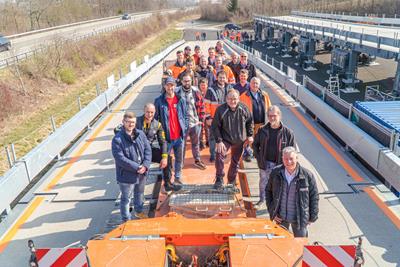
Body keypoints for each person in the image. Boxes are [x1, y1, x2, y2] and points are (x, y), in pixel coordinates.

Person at [266, 146, 319, 237]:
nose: (288, 162)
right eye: (286, 159)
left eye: (291, 159)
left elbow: (314, 196)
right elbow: (268, 191)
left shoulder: (307, 176)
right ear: (282, 159)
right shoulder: (276, 173)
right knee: (280, 246)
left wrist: (312, 217)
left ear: (297, 158)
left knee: (301, 245)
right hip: (281, 218)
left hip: (300, 219)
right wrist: (272, 212)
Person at [111, 111, 152, 221]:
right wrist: (137, 167)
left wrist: (145, 165)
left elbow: (148, 150)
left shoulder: (140, 134)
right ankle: (126, 219)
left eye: (133, 122)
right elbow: (120, 159)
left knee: (139, 194)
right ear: (123, 122)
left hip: (142, 172)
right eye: (128, 122)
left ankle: (138, 212)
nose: (131, 125)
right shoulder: (117, 140)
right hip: (127, 175)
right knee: (126, 199)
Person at [253, 105, 296, 209]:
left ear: (279, 116)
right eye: (270, 116)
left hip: (280, 164)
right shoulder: (262, 130)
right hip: (265, 162)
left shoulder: (288, 133)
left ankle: (277, 203)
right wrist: (259, 158)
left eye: (274, 116)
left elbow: (292, 150)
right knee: (263, 182)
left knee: (279, 184)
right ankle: (262, 200)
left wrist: (289, 165)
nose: (272, 118)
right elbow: (255, 145)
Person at [211, 89, 253, 189]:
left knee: (235, 161)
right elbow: (215, 126)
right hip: (225, 139)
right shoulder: (221, 110)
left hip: (239, 139)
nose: (232, 101)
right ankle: (219, 178)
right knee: (219, 154)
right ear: (226, 99)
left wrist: (250, 135)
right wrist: (219, 141)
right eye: (230, 99)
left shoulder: (244, 108)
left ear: (238, 99)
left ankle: (231, 180)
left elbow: (249, 122)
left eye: (235, 99)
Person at [154, 77, 187, 189]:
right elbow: (155, 120)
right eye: (168, 85)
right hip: (166, 139)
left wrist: (184, 128)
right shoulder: (159, 101)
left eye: (172, 85)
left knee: (179, 159)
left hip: (179, 137)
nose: (170, 87)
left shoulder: (180, 99)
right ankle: (166, 182)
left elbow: (184, 116)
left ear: (175, 86)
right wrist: (160, 135)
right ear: (164, 86)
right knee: (165, 162)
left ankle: (178, 176)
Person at [136, 103, 173, 189]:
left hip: (148, 151)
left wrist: (164, 157)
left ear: (155, 112)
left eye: (152, 112)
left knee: (168, 159)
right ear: (144, 111)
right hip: (136, 151)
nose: (149, 114)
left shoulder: (158, 124)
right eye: (147, 112)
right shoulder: (136, 121)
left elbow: (163, 142)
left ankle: (167, 183)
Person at [175, 74, 207, 170]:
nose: (187, 83)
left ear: (191, 81)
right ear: (181, 81)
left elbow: (202, 106)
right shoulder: (177, 92)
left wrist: (201, 120)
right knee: (182, 145)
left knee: (195, 143)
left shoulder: (196, 91)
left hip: (195, 123)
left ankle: (197, 160)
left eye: (188, 81)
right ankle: (180, 163)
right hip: (182, 125)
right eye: (185, 81)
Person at [240, 77, 272, 162]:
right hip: (250, 123)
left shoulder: (264, 95)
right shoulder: (243, 96)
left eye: (256, 83)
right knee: (250, 140)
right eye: (253, 83)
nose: (255, 85)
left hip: (262, 123)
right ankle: (249, 154)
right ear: (249, 84)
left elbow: (269, 107)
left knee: (262, 140)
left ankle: (259, 154)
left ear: (259, 85)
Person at [204, 70, 232, 162]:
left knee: (224, 137)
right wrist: (208, 117)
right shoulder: (211, 89)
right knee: (213, 137)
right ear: (217, 78)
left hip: (226, 118)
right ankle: (213, 154)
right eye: (220, 77)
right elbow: (206, 104)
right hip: (214, 118)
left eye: (224, 77)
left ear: (226, 78)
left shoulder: (229, 88)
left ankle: (221, 154)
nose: (222, 79)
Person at [198, 77, 210, 150]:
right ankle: (201, 142)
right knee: (200, 128)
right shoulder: (197, 93)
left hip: (208, 113)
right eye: (201, 85)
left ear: (207, 85)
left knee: (207, 128)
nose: (203, 86)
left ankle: (208, 141)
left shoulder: (209, 93)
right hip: (200, 113)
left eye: (204, 85)